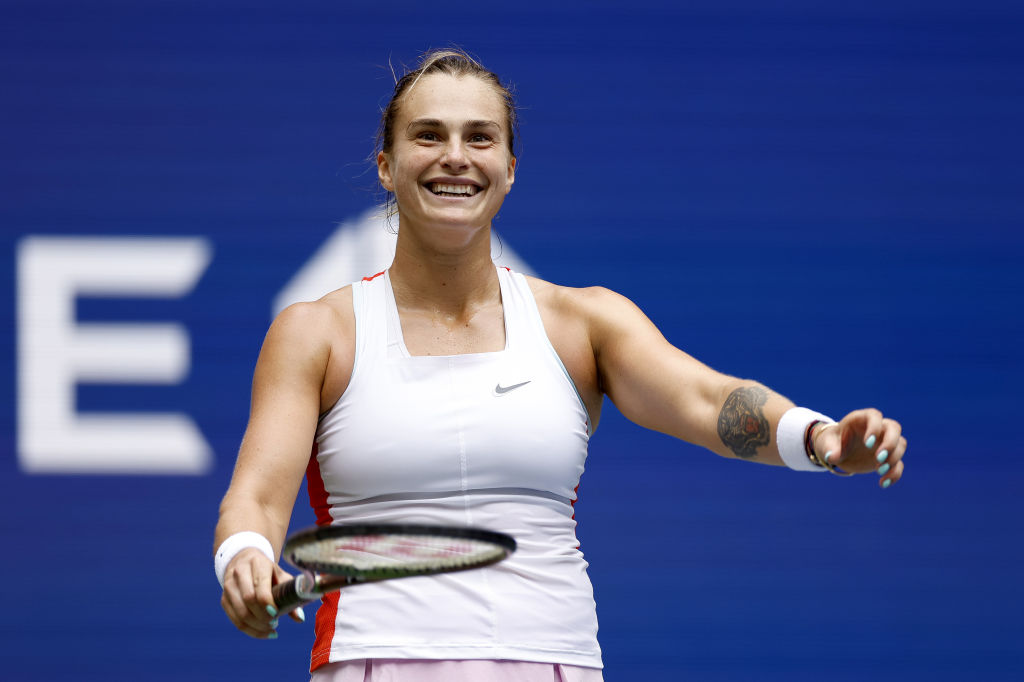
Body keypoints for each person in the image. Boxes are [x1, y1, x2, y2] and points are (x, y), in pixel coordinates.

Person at [213, 48, 907, 682]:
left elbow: (707, 400)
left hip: (553, 663)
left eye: (480, 137)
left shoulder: (583, 324)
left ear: (510, 169)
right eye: (428, 135)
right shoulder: (316, 333)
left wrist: (818, 439)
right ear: (386, 166)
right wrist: (243, 554)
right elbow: (257, 499)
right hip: (373, 662)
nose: (454, 156)